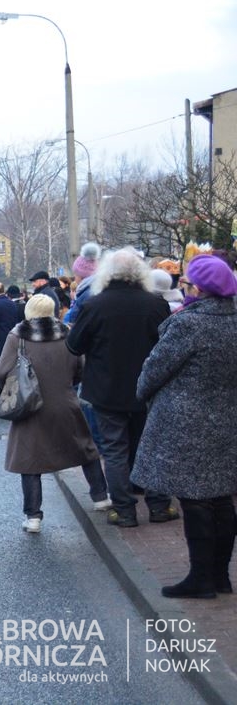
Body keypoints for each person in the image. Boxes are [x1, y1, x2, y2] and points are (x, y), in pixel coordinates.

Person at [132, 254, 237, 598]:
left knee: (194, 500)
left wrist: (143, 392)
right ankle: (220, 576)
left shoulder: (189, 324)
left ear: (201, 289)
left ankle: (201, 579)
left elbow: (154, 370)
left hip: (186, 423)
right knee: (221, 497)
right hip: (228, 420)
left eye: (189, 283)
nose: (186, 287)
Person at [66, 248, 174, 528]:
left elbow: (74, 345)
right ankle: (159, 506)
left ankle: (124, 510)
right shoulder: (156, 304)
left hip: (106, 388)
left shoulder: (95, 305)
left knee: (114, 451)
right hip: (148, 388)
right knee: (150, 447)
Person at [0, 295, 107, 534]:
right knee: (85, 448)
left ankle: (33, 516)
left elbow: (1, 371)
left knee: (29, 460)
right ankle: (100, 497)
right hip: (65, 402)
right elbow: (81, 368)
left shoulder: (18, 336)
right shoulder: (67, 333)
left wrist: (15, 387)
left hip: (30, 404)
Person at [64, 242, 104, 324]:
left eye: (76, 274)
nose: (74, 277)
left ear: (82, 275)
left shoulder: (87, 294)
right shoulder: (89, 291)